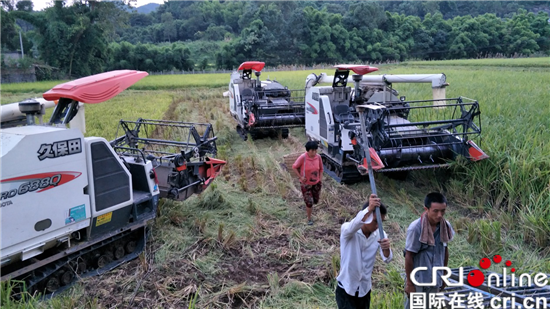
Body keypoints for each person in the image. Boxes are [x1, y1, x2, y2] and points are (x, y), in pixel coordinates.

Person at [335, 194, 393, 309]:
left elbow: (387, 258)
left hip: (364, 290)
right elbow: (354, 225)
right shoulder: (348, 231)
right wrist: (369, 209)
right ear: (367, 216)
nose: (378, 226)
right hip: (346, 289)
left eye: (381, 223)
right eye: (376, 221)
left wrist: (386, 248)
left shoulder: (380, 234)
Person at [404, 192, 455, 309]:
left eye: (443, 211)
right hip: (418, 280)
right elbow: (409, 255)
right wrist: (410, 284)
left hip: (435, 278)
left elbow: (445, 251)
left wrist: (444, 275)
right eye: (436, 211)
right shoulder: (416, 228)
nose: (440, 215)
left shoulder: (445, 226)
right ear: (426, 209)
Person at [292, 141, 323, 225]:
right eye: (312, 151)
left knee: (315, 200)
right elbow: (294, 167)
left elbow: (321, 169)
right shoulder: (303, 158)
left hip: (316, 183)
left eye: (315, 150)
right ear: (308, 150)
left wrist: (319, 179)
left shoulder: (318, 157)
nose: (314, 152)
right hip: (306, 184)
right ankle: (309, 219)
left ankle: (310, 207)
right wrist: (300, 177)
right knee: (309, 202)